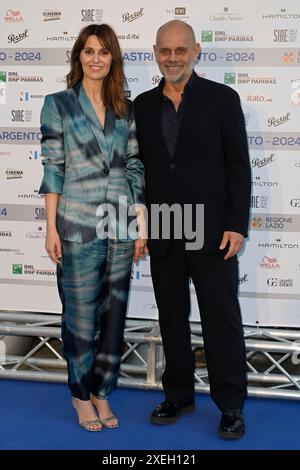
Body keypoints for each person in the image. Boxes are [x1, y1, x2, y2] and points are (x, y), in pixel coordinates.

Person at [134, 20, 251, 439]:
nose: (172, 58)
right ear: (155, 52)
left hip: (213, 230)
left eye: (180, 50)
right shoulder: (143, 106)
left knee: (221, 318)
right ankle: (179, 394)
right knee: (171, 316)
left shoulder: (223, 99)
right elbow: (140, 170)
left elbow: (238, 166)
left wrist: (237, 225)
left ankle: (231, 403)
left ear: (196, 51)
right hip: (164, 228)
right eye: (165, 50)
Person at [39, 24, 146, 432]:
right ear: (78, 57)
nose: (96, 59)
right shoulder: (58, 105)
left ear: (113, 58)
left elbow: (135, 166)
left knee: (114, 315)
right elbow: (54, 168)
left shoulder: (126, 110)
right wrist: (50, 228)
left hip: (120, 228)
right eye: (88, 51)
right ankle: (80, 396)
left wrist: (142, 223)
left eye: (103, 52)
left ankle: (103, 392)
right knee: (80, 318)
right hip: (76, 227)